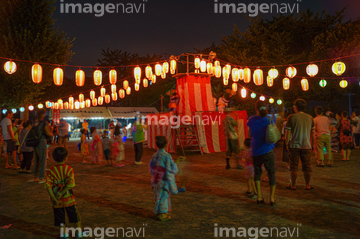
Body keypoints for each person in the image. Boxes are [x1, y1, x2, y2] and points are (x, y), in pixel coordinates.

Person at [45, 147, 83, 239]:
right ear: (66, 158)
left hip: (56, 200)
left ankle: (64, 234)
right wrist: (62, 193)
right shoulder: (69, 169)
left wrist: (54, 198)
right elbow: (70, 184)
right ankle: (79, 232)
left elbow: (48, 186)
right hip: (68, 198)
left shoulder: (50, 171)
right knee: (74, 215)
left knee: (60, 217)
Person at [247, 100, 276, 205]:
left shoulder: (251, 120)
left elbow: (250, 135)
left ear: (256, 109)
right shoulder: (269, 119)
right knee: (271, 173)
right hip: (268, 149)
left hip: (256, 150)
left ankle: (259, 196)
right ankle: (272, 198)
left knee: (257, 173)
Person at [285, 99, 315, 191]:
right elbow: (312, 133)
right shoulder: (310, 118)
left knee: (294, 165)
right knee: (307, 166)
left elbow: (288, 132)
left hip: (294, 145)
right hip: (307, 145)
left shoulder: (291, 117)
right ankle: (308, 185)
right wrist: (313, 145)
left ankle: (293, 185)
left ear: (296, 107)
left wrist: (286, 143)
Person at [149, 136, 178, 221]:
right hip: (164, 179)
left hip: (156, 178)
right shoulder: (167, 156)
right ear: (166, 144)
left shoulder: (155, 155)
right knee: (164, 195)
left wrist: (155, 174)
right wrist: (177, 163)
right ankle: (162, 214)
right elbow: (171, 169)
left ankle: (159, 212)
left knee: (157, 195)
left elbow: (151, 166)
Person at [33, 109, 53, 183]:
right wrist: (51, 134)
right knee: (43, 159)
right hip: (42, 141)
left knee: (36, 159)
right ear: (43, 114)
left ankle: (35, 176)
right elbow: (47, 133)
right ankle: (41, 177)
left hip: (35, 142)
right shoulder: (44, 123)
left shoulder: (35, 123)